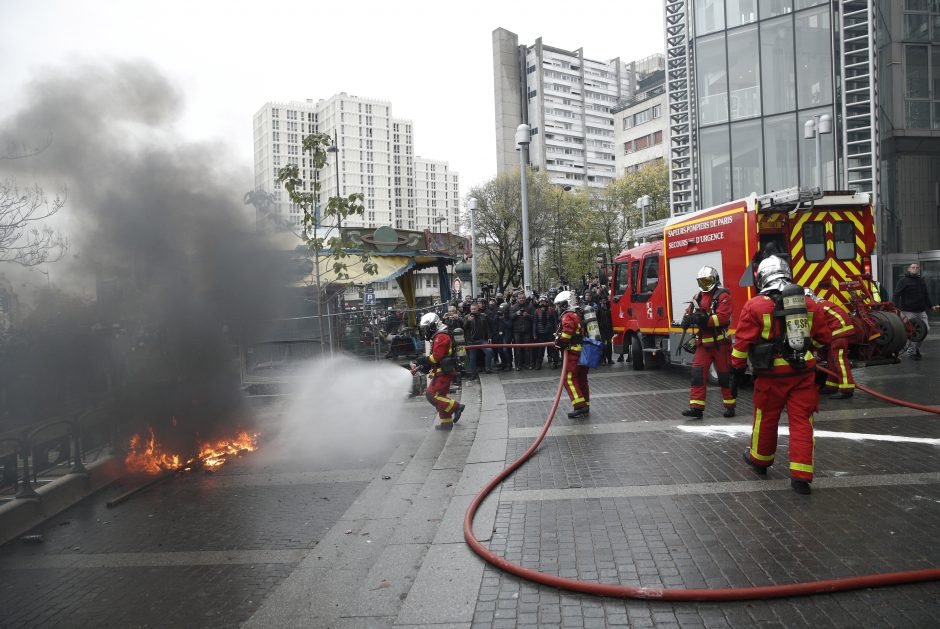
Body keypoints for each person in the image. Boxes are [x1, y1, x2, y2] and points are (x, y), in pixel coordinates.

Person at [732, 256, 832, 495]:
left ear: (762, 277)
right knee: (802, 422)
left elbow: (742, 342)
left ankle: (760, 461)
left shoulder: (755, 305)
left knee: (766, 418)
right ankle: (801, 476)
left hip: (770, 375)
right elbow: (823, 338)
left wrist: (735, 369)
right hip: (803, 372)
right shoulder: (808, 302)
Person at [680, 266, 736, 419]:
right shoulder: (697, 296)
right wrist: (687, 320)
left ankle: (730, 406)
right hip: (703, 344)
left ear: (715, 280)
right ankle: (696, 408)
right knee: (697, 374)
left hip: (720, 344)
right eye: (702, 281)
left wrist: (705, 320)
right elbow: (690, 312)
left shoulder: (723, 295)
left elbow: (723, 317)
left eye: (708, 281)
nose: (705, 284)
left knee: (724, 376)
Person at [416, 312, 465, 430]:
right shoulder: (438, 336)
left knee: (431, 395)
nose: (425, 332)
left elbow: (436, 357)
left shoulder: (441, 336)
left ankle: (456, 406)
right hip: (442, 370)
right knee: (440, 396)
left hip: (443, 371)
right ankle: (446, 422)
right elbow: (436, 358)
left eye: (426, 329)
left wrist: (423, 360)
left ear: (433, 326)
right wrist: (425, 366)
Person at [809, 289, 860, 399]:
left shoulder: (816, 308)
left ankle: (847, 389)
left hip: (838, 333)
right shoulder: (822, 304)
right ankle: (831, 386)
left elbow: (816, 330)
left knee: (840, 361)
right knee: (832, 359)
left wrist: (814, 348)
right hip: (838, 332)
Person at [554, 290, 590, 418]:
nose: (558, 308)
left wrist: (561, 341)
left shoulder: (567, 316)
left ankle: (579, 406)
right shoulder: (577, 314)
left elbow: (568, 331)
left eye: (560, 305)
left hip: (573, 352)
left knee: (568, 379)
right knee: (581, 379)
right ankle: (585, 403)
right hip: (583, 351)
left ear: (565, 304)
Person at [893, 262, 939, 360]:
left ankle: (915, 348)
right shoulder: (903, 281)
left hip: (921, 312)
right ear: (909, 269)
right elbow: (896, 295)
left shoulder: (921, 281)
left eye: (917, 268)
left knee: (925, 330)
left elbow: (926, 295)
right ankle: (911, 352)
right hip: (908, 312)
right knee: (913, 332)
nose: (915, 269)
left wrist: (931, 307)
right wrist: (894, 308)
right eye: (913, 267)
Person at [464, 302, 493, 378]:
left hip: (481, 339)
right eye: (472, 309)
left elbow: (488, 327)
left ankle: (488, 368)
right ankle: (473, 374)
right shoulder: (467, 317)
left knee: (489, 351)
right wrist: (468, 321)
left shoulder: (483, 316)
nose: (473, 310)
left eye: (474, 309)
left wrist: (489, 337)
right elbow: (464, 328)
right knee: (472, 358)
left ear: (478, 309)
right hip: (471, 341)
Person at [531, 295, 558, 370]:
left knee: (553, 349)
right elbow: (535, 323)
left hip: (550, 333)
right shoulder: (537, 311)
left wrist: (556, 332)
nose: (542, 303)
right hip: (540, 333)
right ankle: (538, 364)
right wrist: (534, 334)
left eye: (544, 302)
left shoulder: (551, 310)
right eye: (541, 302)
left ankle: (555, 362)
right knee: (540, 350)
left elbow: (555, 322)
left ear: (546, 302)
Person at [510, 292, 534, 370]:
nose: (521, 299)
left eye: (523, 298)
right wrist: (516, 314)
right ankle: (518, 365)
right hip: (516, 331)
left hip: (527, 330)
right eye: (520, 298)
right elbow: (510, 318)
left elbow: (534, 317)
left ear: (525, 298)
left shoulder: (530, 306)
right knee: (518, 349)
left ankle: (527, 364)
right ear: (517, 298)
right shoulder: (513, 307)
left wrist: (528, 315)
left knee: (527, 348)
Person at [493, 302, 514, 371]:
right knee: (500, 350)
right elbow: (494, 321)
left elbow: (509, 325)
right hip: (499, 334)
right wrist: (497, 315)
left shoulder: (509, 316)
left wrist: (503, 319)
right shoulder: (498, 315)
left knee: (505, 350)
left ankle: (509, 364)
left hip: (507, 335)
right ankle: (503, 363)